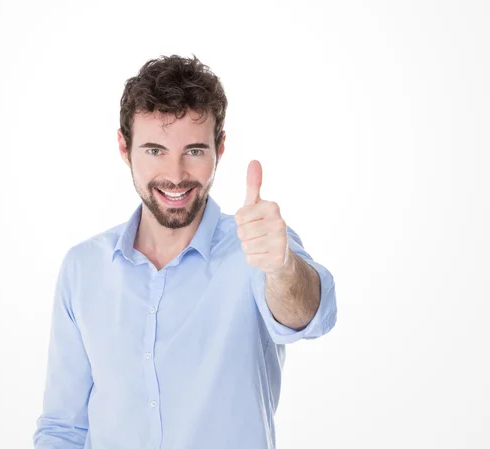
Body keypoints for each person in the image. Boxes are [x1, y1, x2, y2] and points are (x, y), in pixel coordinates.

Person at [32, 54, 337, 449]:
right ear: (124, 148)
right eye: (155, 150)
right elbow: (63, 428)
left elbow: (308, 315)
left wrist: (281, 270)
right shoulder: (83, 268)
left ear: (219, 147)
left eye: (193, 151)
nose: (175, 176)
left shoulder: (257, 247)